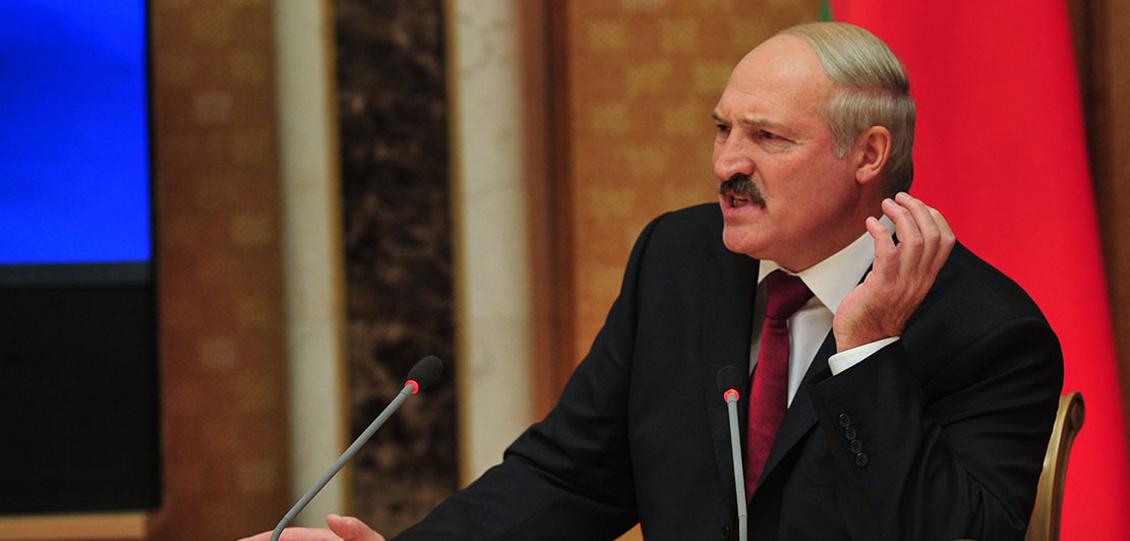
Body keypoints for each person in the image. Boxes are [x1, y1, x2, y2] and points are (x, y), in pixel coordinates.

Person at [243, 21, 1062, 541]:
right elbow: (569, 475)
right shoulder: (679, 261)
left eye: (767, 137)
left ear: (869, 155)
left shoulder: (987, 332)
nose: (726, 163)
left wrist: (868, 353)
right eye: (723, 129)